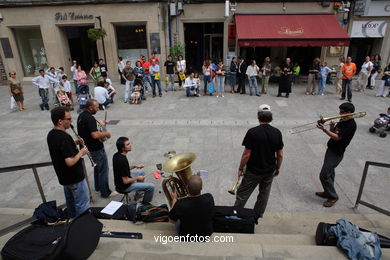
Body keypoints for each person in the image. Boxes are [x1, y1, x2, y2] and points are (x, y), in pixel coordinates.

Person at [234, 104, 283, 220]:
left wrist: (241, 168)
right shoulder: (277, 132)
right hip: (269, 170)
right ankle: (257, 215)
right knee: (264, 194)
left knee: (242, 194)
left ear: (258, 116)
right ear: (271, 117)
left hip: (253, 171)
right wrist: (277, 167)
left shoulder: (252, 132)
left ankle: (236, 214)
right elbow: (280, 155)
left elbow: (246, 154)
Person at [47, 106, 90, 218]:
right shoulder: (64, 137)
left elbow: (61, 150)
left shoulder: (51, 134)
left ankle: (72, 225)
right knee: (82, 206)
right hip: (75, 178)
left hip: (64, 178)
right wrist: (82, 152)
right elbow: (69, 162)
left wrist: (74, 142)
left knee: (71, 205)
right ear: (60, 121)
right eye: (69, 119)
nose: (71, 121)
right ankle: (82, 227)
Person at [315, 102, 357, 207]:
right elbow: (336, 133)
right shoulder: (343, 120)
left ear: (349, 112)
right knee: (330, 173)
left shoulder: (351, 125)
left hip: (336, 153)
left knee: (324, 175)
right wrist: (332, 128)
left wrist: (324, 130)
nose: (339, 113)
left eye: (342, 112)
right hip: (331, 149)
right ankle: (327, 192)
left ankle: (333, 197)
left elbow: (337, 138)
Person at [77, 99, 115, 198]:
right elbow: (94, 134)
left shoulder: (82, 116)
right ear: (90, 107)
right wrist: (107, 133)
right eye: (96, 107)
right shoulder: (89, 118)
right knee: (103, 169)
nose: (97, 109)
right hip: (96, 148)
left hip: (90, 147)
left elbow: (90, 129)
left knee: (97, 168)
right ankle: (105, 192)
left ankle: (98, 187)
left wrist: (100, 123)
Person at [113, 137, 155, 204]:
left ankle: (138, 194)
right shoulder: (122, 160)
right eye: (128, 144)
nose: (130, 145)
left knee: (141, 172)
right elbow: (125, 181)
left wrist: (135, 166)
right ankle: (145, 204)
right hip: (124, 187)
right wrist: (137, 178)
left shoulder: (116, 155)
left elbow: (123, 169)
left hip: (118, 182)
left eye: (130, 143)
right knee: (151, 187)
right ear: (123, 148)